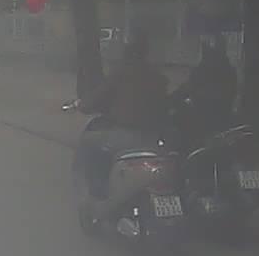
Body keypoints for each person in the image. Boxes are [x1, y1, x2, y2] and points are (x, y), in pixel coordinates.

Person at [77, 32, 170, 194]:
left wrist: (82, 104)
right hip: (154, 136)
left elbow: (97, 98)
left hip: (127, 134)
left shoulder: (120, 73)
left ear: (127, 52)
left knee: (88, 143)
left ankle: (98, 189)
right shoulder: (159, 77)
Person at [171, 35, 237, 140]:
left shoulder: (203, 72)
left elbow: (186, 90)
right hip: (220, 121)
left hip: (204, 124)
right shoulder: (228, 72)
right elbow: (185, 90)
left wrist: (170, 100)